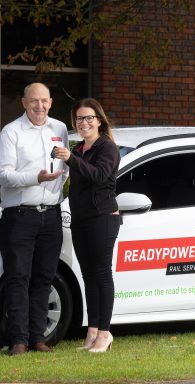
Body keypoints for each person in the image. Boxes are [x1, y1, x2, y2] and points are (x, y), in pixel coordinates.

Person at [0, 82, 69, 356]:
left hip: (51, 216)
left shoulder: (60, 129)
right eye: (34, 101)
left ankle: (38, 337)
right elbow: (4, 175)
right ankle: (18, 340)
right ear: (24, 103)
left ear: (51, 102)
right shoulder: (11, 132)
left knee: (44, 277)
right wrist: (36, 178)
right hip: (20, 217)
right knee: (18, 278)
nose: (40, 106)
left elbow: (66, 166)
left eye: (44, 101)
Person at [53, 98, 120, 353]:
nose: (84, 123)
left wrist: (70, 158)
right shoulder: (80, 149)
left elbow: (99, 176)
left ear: (99, 120)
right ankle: (92, 332)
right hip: (80, 219)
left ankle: (105, 332)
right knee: (88, 276)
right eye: (79, 119)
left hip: (103, 218)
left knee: (102, 274)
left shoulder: (107, 148)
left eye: (89, 118)